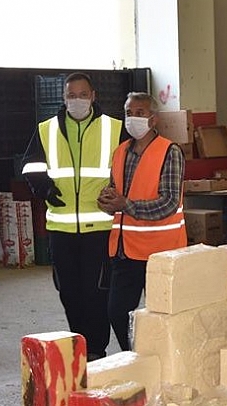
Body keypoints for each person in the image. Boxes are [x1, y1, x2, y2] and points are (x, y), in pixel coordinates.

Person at [21, 72, 125, 361]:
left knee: (96, 293)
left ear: (93, 96)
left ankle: (96, 350)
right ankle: (80, 345)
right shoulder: (47, 129)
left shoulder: (114, 128)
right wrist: (44, 188)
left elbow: (128, 166)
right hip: (61, 228)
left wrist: (117, 190)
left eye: (82, 95)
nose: (76, 100)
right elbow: (30, 165)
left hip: (100, 228)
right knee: (68, 292)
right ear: (63, 98)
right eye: (71, 95)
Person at [96, 92, 185, 351]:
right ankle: (135, 357)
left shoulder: (169, 152)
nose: (133, 118)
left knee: (163, 315)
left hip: (161, 251)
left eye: (140, 113)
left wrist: (125, 204)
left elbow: (168, 203)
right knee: (117, 312)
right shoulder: (120, 152)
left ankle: (163, 360)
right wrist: (107, 201)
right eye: (129, 113)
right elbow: (117, 191)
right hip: (125, 250)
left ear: (153, 119)